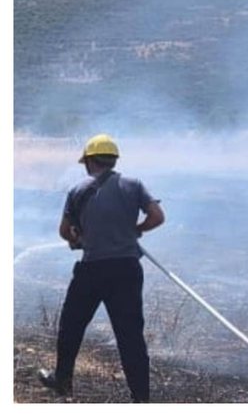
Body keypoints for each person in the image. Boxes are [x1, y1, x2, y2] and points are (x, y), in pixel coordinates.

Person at [38, 134, 165, 402]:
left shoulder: (77, 190)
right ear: (113, 160)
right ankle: (141, 399)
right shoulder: (134, 184)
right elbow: (157, 217)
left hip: (92, 271)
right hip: (127, 270)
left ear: (89, 162)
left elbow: (64, 231)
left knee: (71, 326)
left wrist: (77, 238)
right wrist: (136, 231)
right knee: (130, 337)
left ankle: (62, 381)